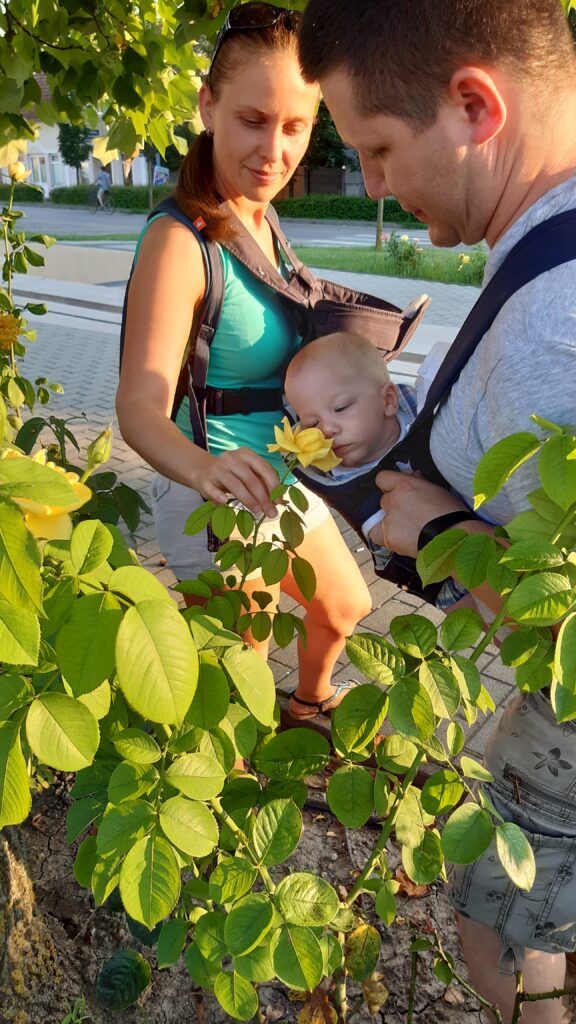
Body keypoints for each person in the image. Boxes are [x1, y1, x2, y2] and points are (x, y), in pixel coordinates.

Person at [298, 1, 576, 1021]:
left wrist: (445, 535)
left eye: (376, 147)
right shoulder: (545, 243)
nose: (373, 184)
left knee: (502, 935)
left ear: (473, 105)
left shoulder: (557, 321)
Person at [116, 2, 372, 726]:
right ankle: (235, 771)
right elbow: (137, 406)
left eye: (295, 126)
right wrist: (205, 472)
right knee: (240, 673)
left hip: (281, 479)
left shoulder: (261, 217)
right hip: (213, 493)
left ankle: (308, 705)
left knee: (346, 607)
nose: (274, 151)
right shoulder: (179, 241)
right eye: (252, 120)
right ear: (207, 105)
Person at [282, 331, 473, 611]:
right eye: (312, 424)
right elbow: (387, 535)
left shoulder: (419, 410)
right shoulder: (348, 482)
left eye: (340, 408)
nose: (327, 430)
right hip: (436, 575)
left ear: (388, 400)